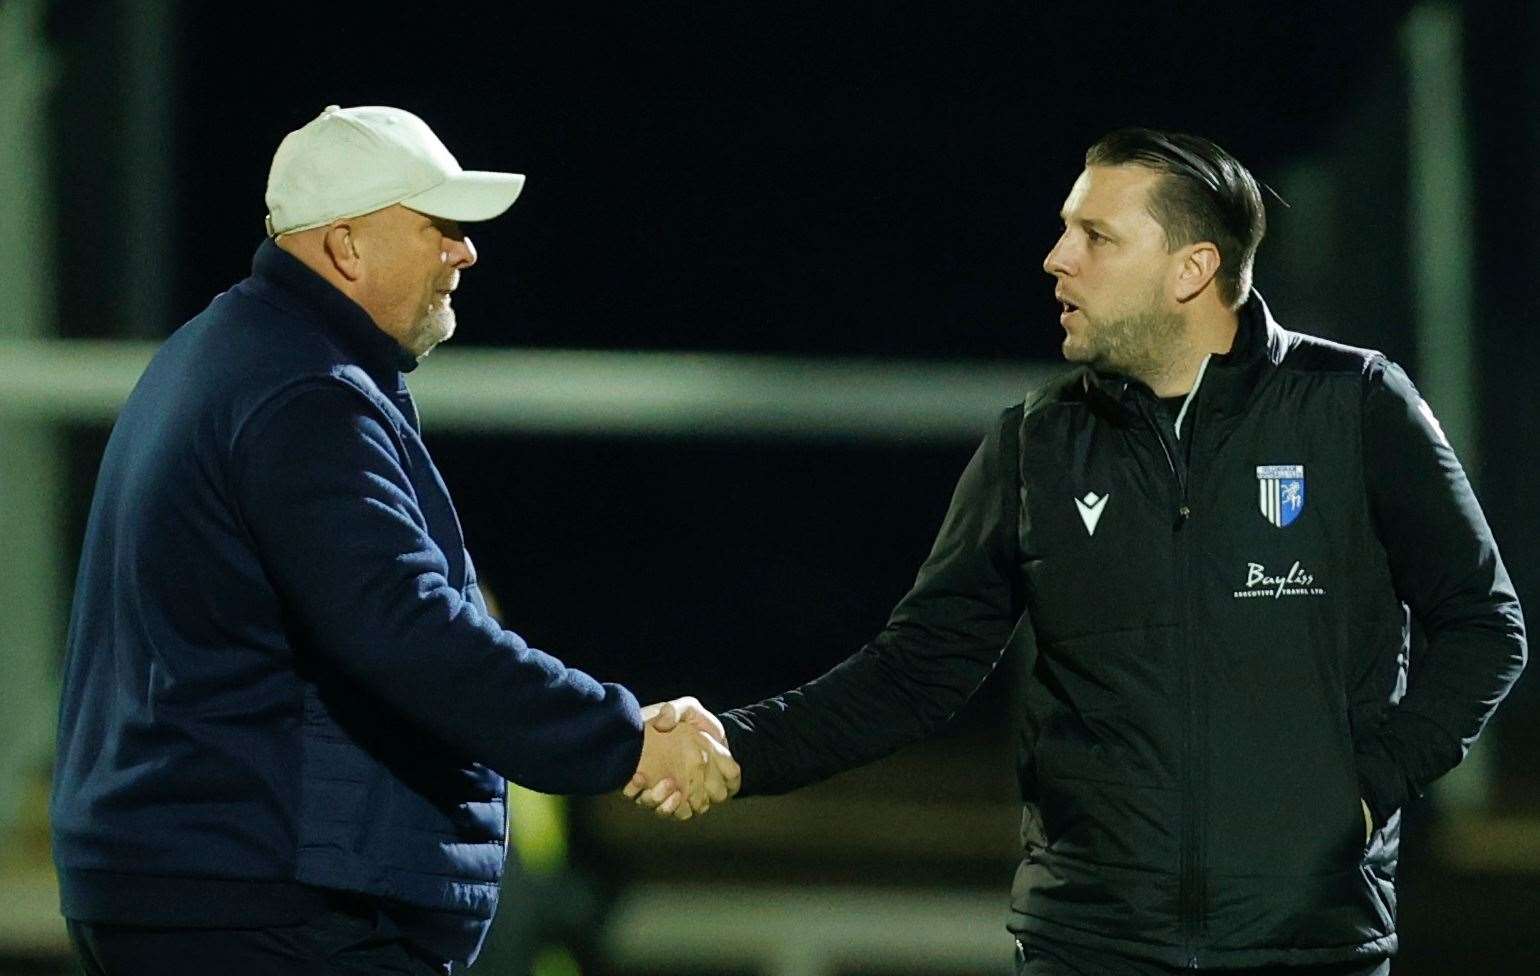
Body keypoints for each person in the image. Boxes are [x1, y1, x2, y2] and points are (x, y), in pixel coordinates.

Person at [628, 128, 1527, 974]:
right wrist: (739, 749)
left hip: (1307, 945)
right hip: (1090, 944)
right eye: (1066, 232)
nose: (1058, 260)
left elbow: (1487, 627)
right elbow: (914, 672)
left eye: (1095, 235)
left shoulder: (1356, 406)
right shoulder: (1036, 447)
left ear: (1193, 269)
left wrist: (1360, 794)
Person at [50, 104, 736, 976]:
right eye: (438, 227)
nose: (465, 252)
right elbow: (408, 628)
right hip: (269, 905)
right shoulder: (305, 395)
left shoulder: (219, 356)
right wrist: (624, 737)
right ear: (346, 248)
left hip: (194, 882)